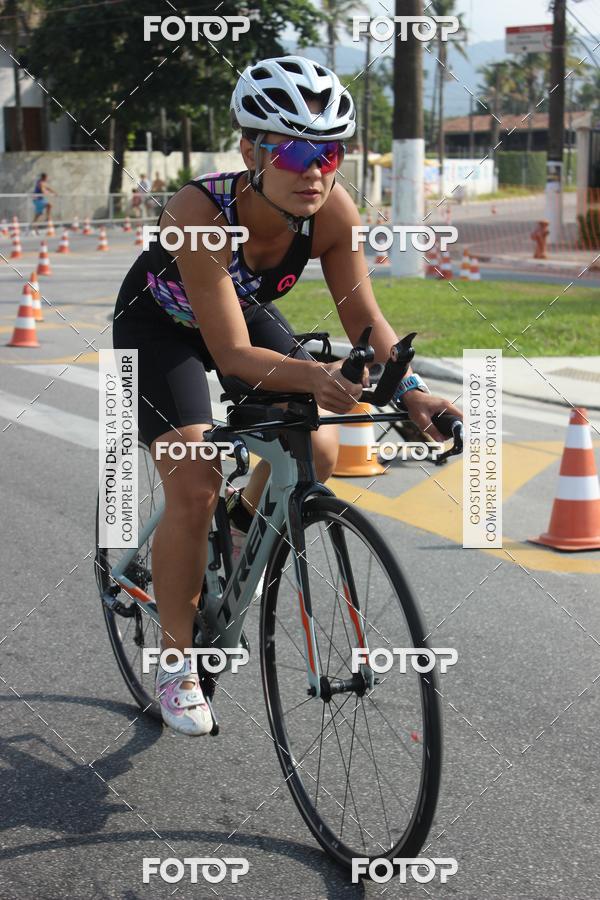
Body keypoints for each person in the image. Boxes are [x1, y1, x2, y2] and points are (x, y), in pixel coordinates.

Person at [113, 55, 461, 736]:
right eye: (297, 150)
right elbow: (234, 355)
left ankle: (244, 527)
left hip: (238, 314)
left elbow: (364, 318)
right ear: (250, 149)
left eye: (330, 151)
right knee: (193, 477)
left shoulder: (331, 211)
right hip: (162, 331)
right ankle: (177, 663)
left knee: (322, 449)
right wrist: (317, 379)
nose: (316, 170)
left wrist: (415, 391)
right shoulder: (198, 208)